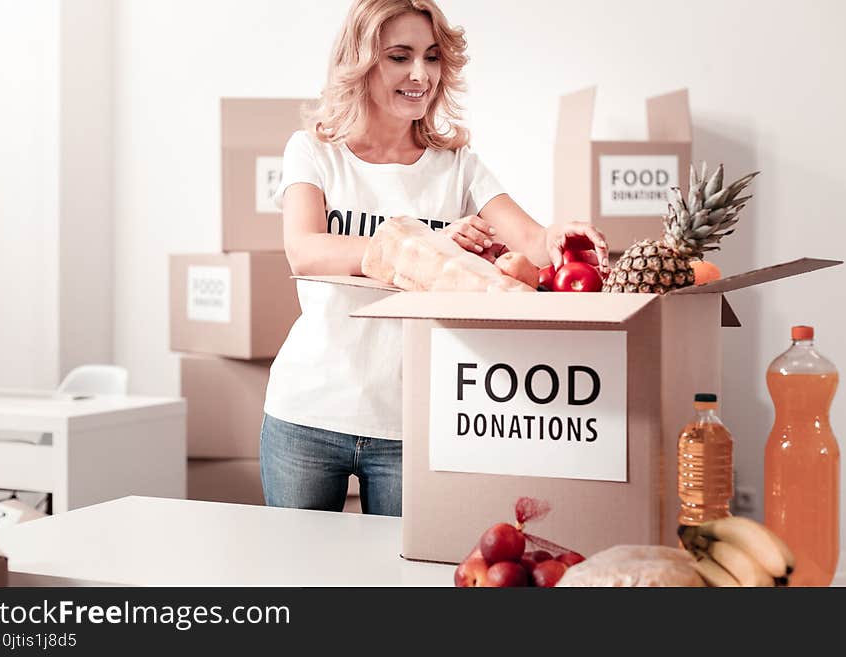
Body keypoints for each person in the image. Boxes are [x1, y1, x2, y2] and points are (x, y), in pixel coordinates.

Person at [261, 0, 609, 517]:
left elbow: (532, 240)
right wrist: (432, 243)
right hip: (307, 413)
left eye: (431, 57)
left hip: (415, 422)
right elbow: (306, 250)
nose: (420, 74)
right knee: (298, 577)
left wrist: (559, 237)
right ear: (362, 62)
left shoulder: (457, 167)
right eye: (399, 57)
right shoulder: (314, 152)